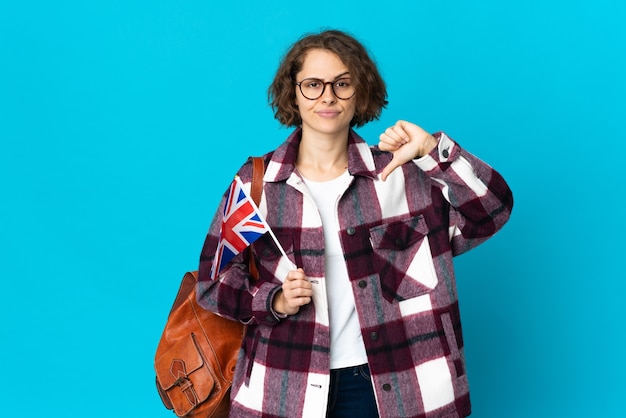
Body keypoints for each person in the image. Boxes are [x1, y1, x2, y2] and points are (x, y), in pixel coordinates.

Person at [197, 29, 513, 418]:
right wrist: (272, 300)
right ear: (293, 93)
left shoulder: (403, 173)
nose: (327, 96)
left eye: (342, 84)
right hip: (286, 388)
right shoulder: (256, 184)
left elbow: (491, 212)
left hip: (400, 386)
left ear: (360, 91)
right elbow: (211, 283)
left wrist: (433, 151)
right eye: (313, 84)